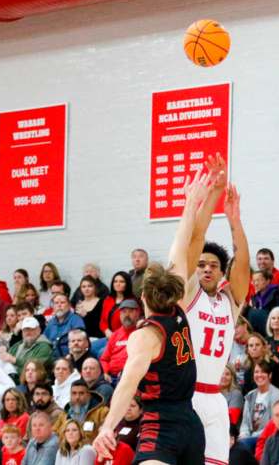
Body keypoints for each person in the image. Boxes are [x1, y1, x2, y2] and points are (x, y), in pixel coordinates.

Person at [93, 169, 208, 465]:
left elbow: (128, 382)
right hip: (192, 425)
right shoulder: (178, 306)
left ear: (142, 297)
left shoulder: (146, 335)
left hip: (163, 426)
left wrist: (107, 426)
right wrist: (193, 203)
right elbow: (182, 248)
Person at [177, 160, 252, 465]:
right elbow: (192, 242)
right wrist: (211, 196)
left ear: (222, 272)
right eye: (202, 264)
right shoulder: (189, 292)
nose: (206, 268)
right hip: (187, 395)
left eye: (213, 265)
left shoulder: (229, 300)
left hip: (216, 399)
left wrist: (235, 222)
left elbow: (244, 264)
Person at [239, 362, 279, 453]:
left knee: (242, 447)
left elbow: (274, 423)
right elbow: (245, 422)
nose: (259, 375)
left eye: (263, 372)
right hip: (249, 437)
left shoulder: (278, 396)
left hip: (268, 437)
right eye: (256, 372)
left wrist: (251, 437)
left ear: (270, 375)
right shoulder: (250, 395)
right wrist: (244, 434)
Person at [98, 300, 140, 381]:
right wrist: (105, 373)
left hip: (130, 377)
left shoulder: (141, 332)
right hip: (111, 377)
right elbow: (104, 359)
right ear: (120, 315)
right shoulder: (115, 335)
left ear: (137, 314)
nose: (127, 315)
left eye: (131, 311)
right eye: (124, 312)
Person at [43, 294, 85, 359]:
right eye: (56, 303)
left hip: (69, 357)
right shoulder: (51, 323)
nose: (59, 305)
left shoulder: (76, 320)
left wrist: (70, 356)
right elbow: (44, 342)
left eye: (62, 302)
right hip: (51, 358)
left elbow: (80, 342)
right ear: (53, 306)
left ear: (69, 306)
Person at [98, 272, 135, 341]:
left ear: (127, 284)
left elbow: (130, 326)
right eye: (115, 281)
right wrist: (106, 331)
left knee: (100, 352)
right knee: (90, 347)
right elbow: (102, 321)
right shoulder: (108, 299)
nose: (118, 284)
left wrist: (114, 336)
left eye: (122, 282)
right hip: (108, 336)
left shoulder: (132, 302)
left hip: (123, 338)